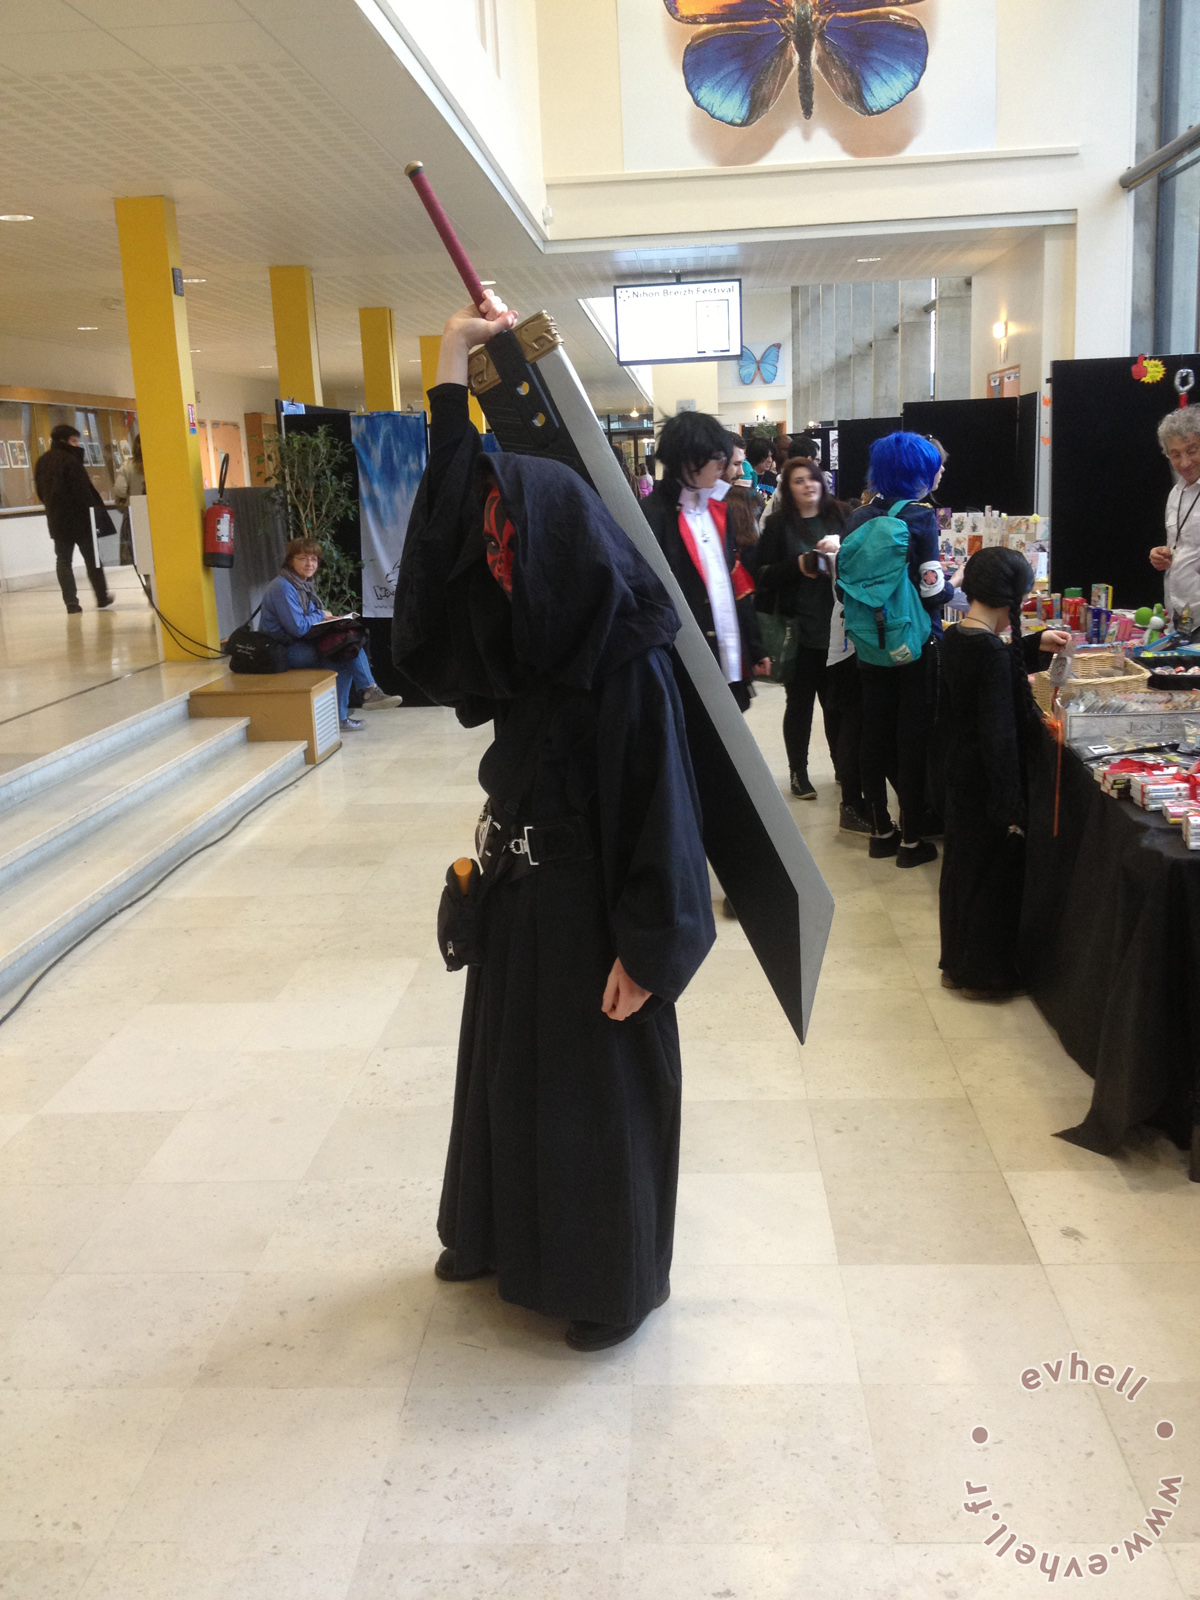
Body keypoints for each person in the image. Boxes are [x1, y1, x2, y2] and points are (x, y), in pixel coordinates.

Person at [392, 291, 715, 1351]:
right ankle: (494, 1233)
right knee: (506, 1083)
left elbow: (664, 814)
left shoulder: (621, 658)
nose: (492, 562)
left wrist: (653, 948)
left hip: (596, 916)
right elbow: (446, 530)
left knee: (590, 1102)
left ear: (554, 544)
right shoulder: (531, 637)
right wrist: (450, 376)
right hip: (524, 895)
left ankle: (601, 1283)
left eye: (508, 543)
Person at [938, 547, 1069, 997]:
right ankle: (984, 973)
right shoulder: (991, 652)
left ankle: (958, 962)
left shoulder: (957, 636)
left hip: (961, 771)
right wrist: (1010, 804)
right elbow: (999, 732)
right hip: (988, 782)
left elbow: (988, 673)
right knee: (993, 879)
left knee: (963, 871)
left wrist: (1034, 645)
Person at [842, 431, 960, 867]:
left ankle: (880, 831)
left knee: (874, 732)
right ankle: (911, 841)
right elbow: (932, 592)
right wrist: (954, 585)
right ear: (917, 472)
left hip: (869, 641)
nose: (941, 470)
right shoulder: (920, 518)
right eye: (935, 465)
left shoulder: (857, 517)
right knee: (912, 736)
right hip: (914, 642)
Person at [641, 411, 770, 711]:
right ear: (688, 459)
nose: (725, 467)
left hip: (729, 655)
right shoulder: (652, 516)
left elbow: (731, 582)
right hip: (685, 662)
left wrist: (754, 645)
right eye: (717, 459)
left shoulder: (717, 506)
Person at [756, 457, 845, 799]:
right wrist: (798, 564)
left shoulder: (840, 516)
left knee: (836, 704)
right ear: (788, 488)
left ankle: (842, 766)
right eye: (799, 480)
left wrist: (840, 547)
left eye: (813, 478)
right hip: (799, 629)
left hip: (839, 627)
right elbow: (762, 575)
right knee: (800, 704)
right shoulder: (779, 525)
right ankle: (798, 772)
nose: (808, 485)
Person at [259, 537, 399, 731]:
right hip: (282, 649)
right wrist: (321, 615)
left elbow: (304, 623)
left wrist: (327, 620)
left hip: (299, 643)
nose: (310, 563)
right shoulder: (283, 587)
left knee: (347, 648)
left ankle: (358, 701)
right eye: (303, 558)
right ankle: (363, 697)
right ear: (290, 560)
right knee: (343, 653)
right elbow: (298, 627)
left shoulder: (303, 584)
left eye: (314, 559)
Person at [33, 423, 114, 613]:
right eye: (75, 441)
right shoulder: (71, 461)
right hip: (81, 519)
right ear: (65, 441)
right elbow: (83, 492)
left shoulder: (43, 461)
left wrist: (52, 507)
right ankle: (101, 597)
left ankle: (71, 602)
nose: (78, 445)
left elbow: (40, 491)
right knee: (92, 559)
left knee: (63, 560)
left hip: (57, 519)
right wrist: (95, 513)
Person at [1149, 407, 1200, 627]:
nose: (1185, 462)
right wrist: (1164, 555)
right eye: (1176, 454)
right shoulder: (1175, 494)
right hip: (1179, 615)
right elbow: (1182, 545)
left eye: (1192, 450)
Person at [112, 437, 145, 567]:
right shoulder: (160, 463)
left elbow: (119, 490)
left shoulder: (128, 465)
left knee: (141, 552)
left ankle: (148, 581)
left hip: (136, 512)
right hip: (160, 513)